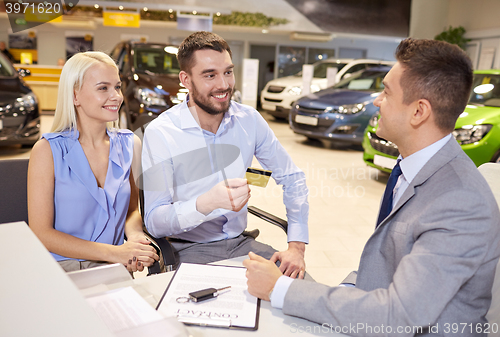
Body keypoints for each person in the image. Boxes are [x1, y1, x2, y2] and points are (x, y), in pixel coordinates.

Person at [244, 38, 500, 336]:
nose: (377, 100)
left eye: (387, 92)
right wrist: (344, 288)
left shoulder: (460, 201)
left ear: (419, 112)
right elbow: (386, 267)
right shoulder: (411, 168)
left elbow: (399, 317)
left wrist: (281, 289)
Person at [142, 31, 309, 278]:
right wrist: (205, 203)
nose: (223, 85)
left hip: (242, 244)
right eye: (210, 75)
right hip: (188, 250)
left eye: (228, 72)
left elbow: (292, 178)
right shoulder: (162, 133)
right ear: (186, 80)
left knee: (303, 294)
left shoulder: (249, 120)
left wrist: (296, 246)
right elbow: (154, 220)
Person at [28, 51, 158, 272]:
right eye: (103, 88)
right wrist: (114, 253)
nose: (116, 96)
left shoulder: (130, 144)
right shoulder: (47, 150)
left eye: (117, 87)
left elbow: (131, 211)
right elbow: (42, 234)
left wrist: (135, 238)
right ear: (75, 96)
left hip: (113, 269)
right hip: (60, 270)